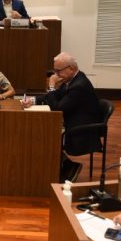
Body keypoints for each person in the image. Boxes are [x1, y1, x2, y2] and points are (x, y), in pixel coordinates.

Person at [43, 52, 102, 182]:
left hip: (83, 129)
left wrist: (51, 86)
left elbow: (57, 108)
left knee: (46, 137)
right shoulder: (71, 79)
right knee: (44, 134)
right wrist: (32, 100)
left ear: (71, 68)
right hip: (73, 121)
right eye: (55, 71)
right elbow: (57, 97)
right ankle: (68, 166)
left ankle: (69, 167)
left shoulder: (79, 85)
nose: (56, 75)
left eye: (58, 71)